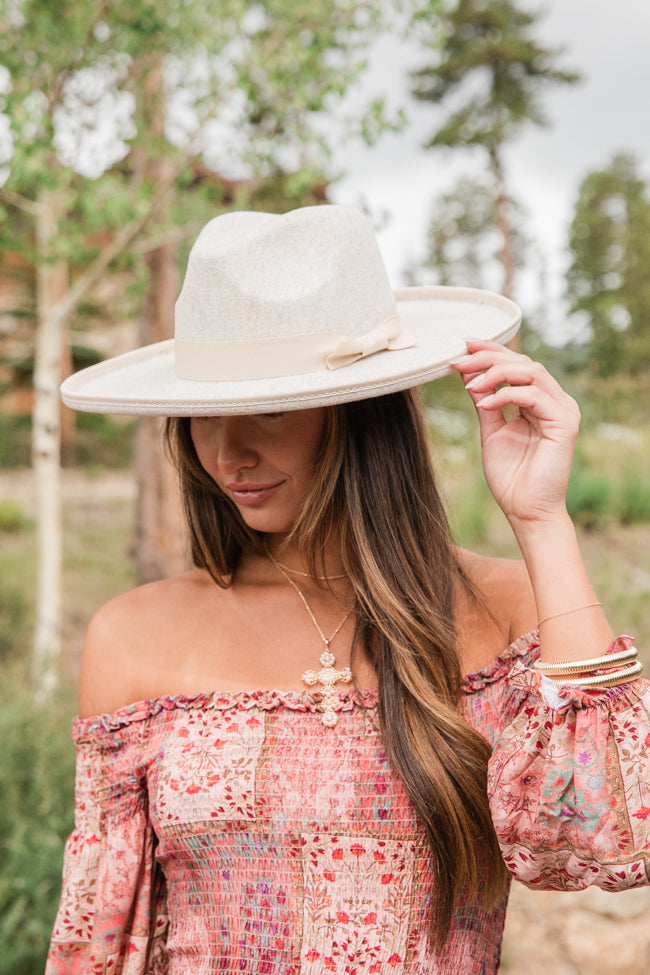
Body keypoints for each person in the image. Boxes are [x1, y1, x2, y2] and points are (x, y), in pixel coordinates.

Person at [47, 205, 649, 974]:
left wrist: (542, 520)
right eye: (202, 415)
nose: (228, 451)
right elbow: (101, 945)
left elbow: (611, 834)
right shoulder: (135, 635)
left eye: (266, 408)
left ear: (361, 412)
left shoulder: (500, 614)